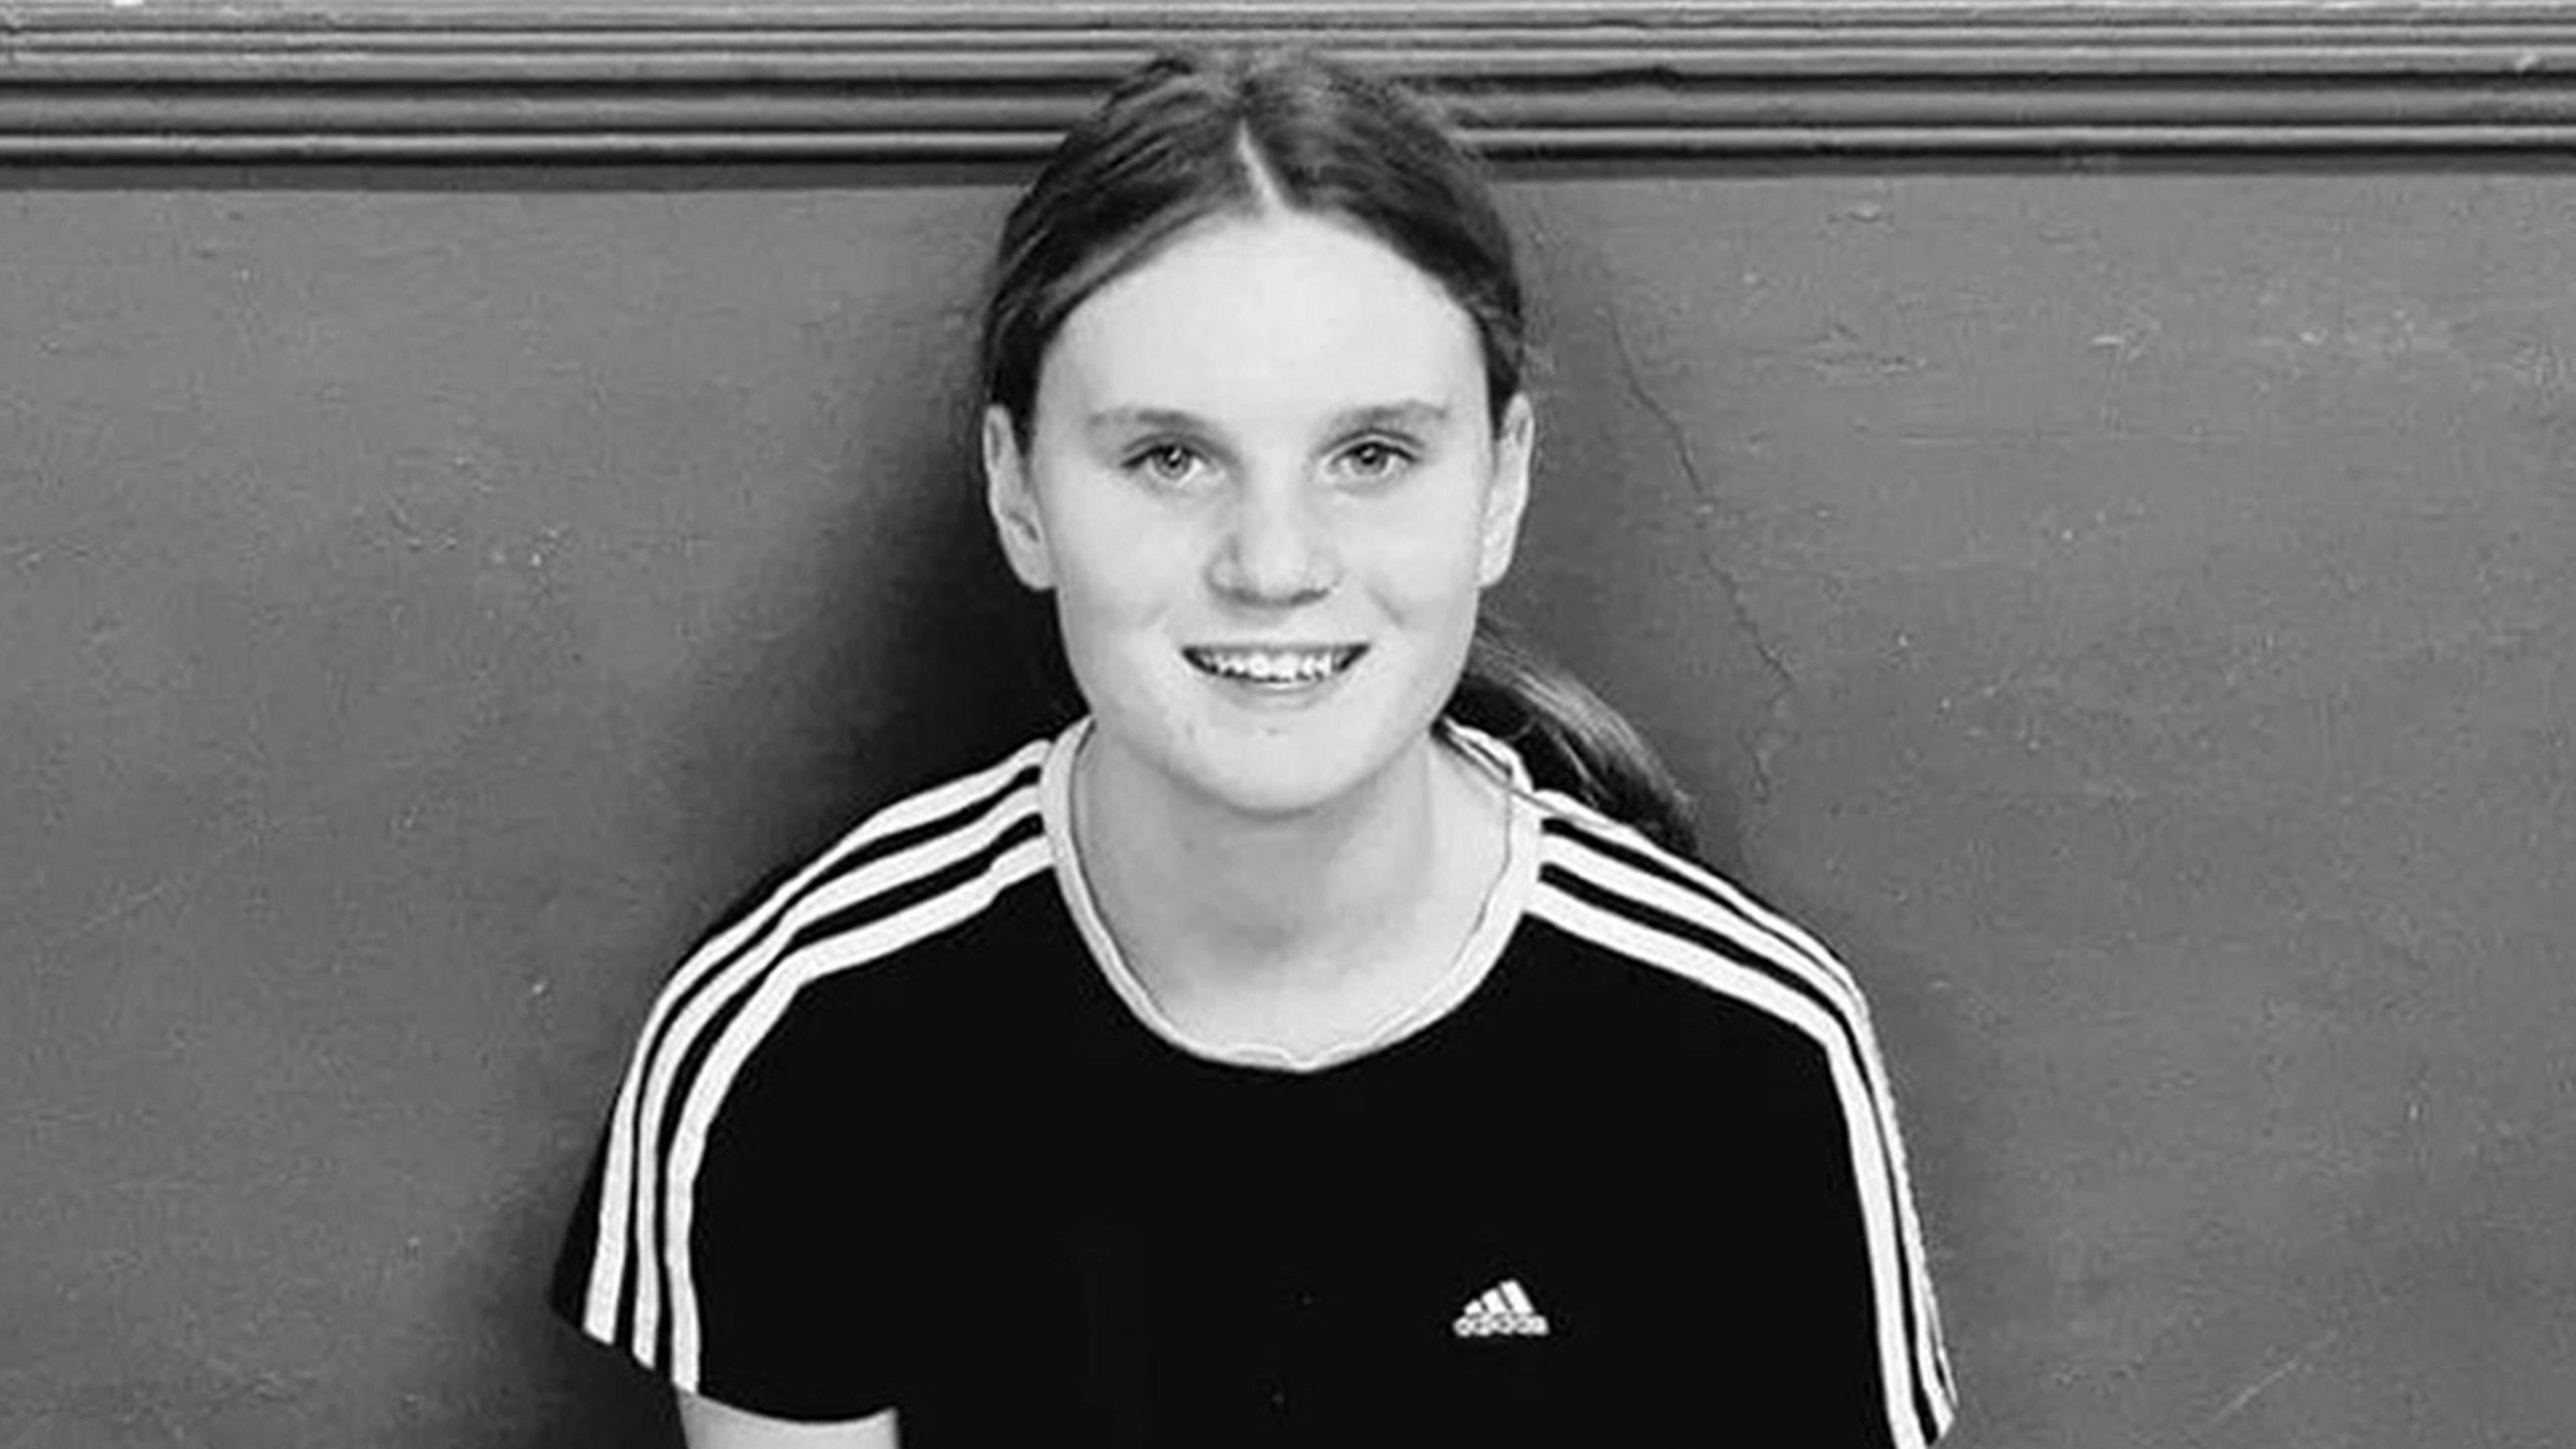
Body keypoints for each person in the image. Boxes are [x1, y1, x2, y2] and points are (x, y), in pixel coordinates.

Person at [549, 46, 1955, 1449]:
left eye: (1372, 458)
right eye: (1169, 458)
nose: (1274, 563)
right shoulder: (811, 1031)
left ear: (1502, 485)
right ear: (1019, 492)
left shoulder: (1746, 1058)